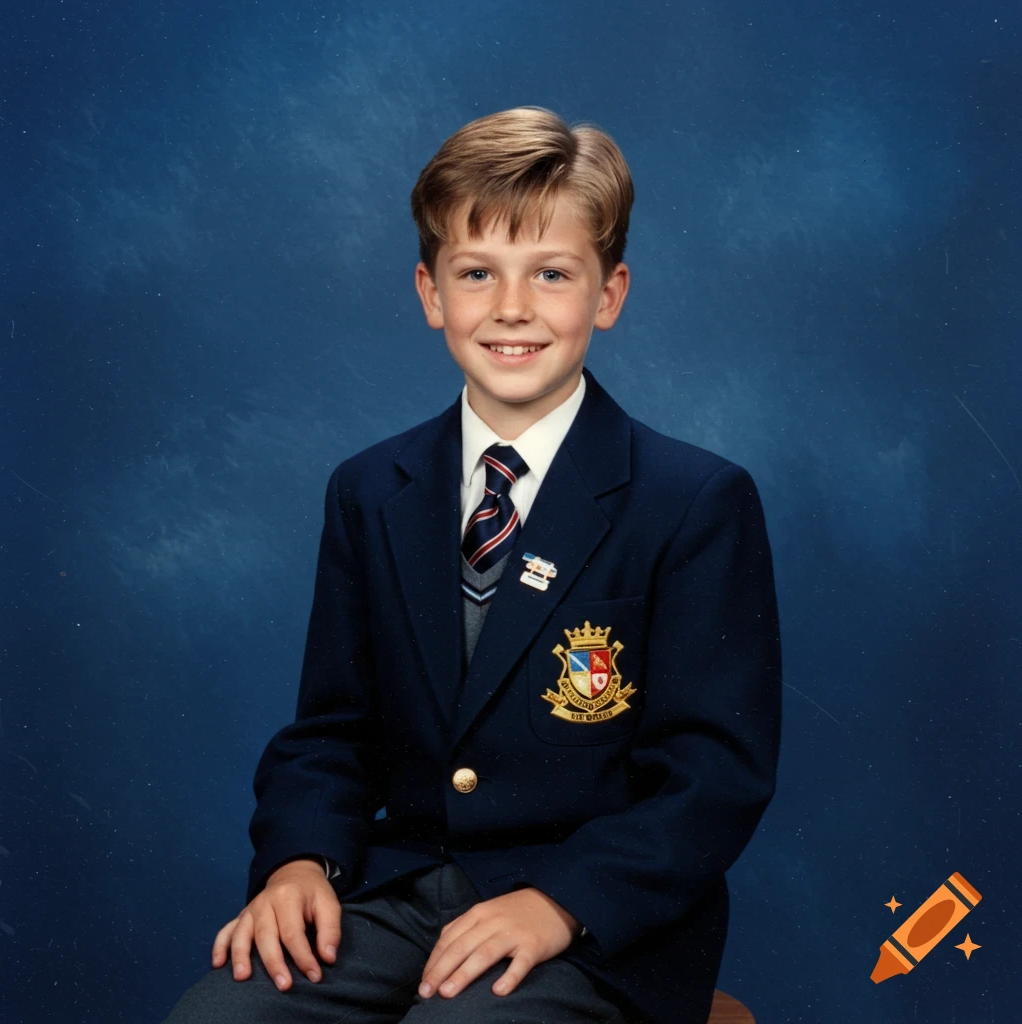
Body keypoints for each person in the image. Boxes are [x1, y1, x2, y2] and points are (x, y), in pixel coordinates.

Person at [161, 105, 782, 1024]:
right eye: (477, 273)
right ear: (430, 293)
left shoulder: (691, 500)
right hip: (400, 894)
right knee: (218, 1017)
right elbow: (331, 731)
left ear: (609, 295)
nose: (512, 309)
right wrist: (299, 861)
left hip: (595, 921)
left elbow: (712, 777)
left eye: (553, 274)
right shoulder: (372, 489)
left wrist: (561, 904)